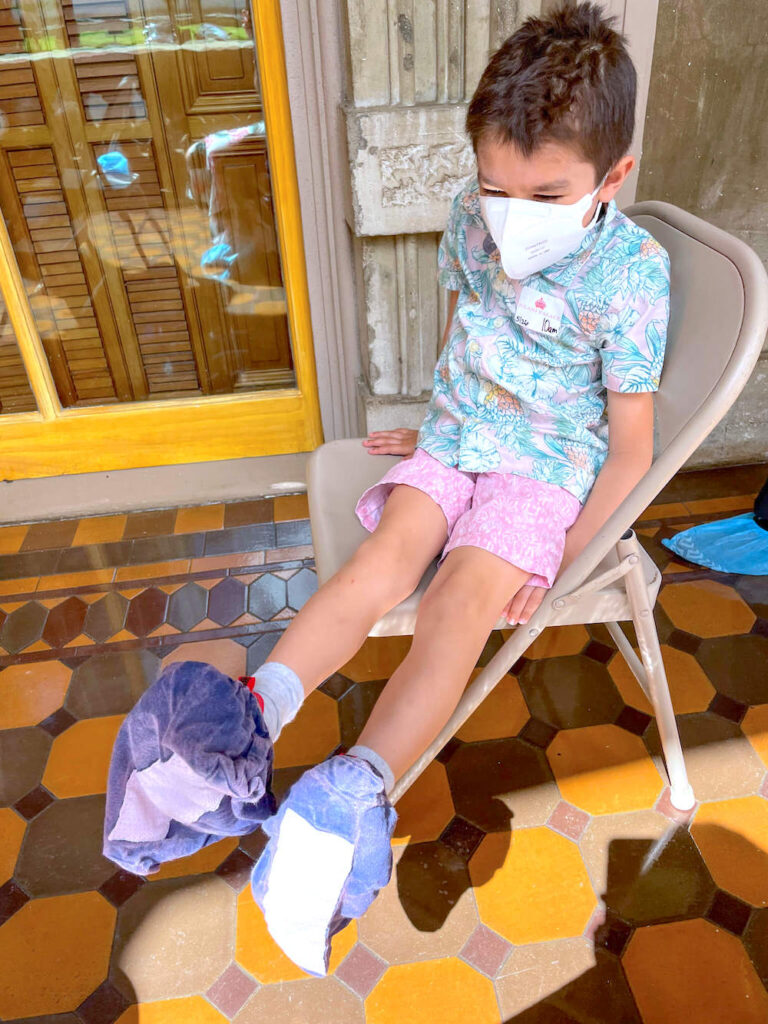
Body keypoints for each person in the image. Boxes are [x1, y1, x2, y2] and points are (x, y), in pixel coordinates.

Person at [104, 0, 670, 979]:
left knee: (453, 604)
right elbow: (471, 331)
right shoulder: (470, 218)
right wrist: (439, 416)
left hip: (545, 470)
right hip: (457, 432)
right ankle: (248, 714)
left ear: (610, 178)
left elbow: (629, 450)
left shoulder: (632, 274)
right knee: (384, 560)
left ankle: (350, 793)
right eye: (495, 187)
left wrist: (570, 560)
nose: (510, 215)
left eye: (545, 194)